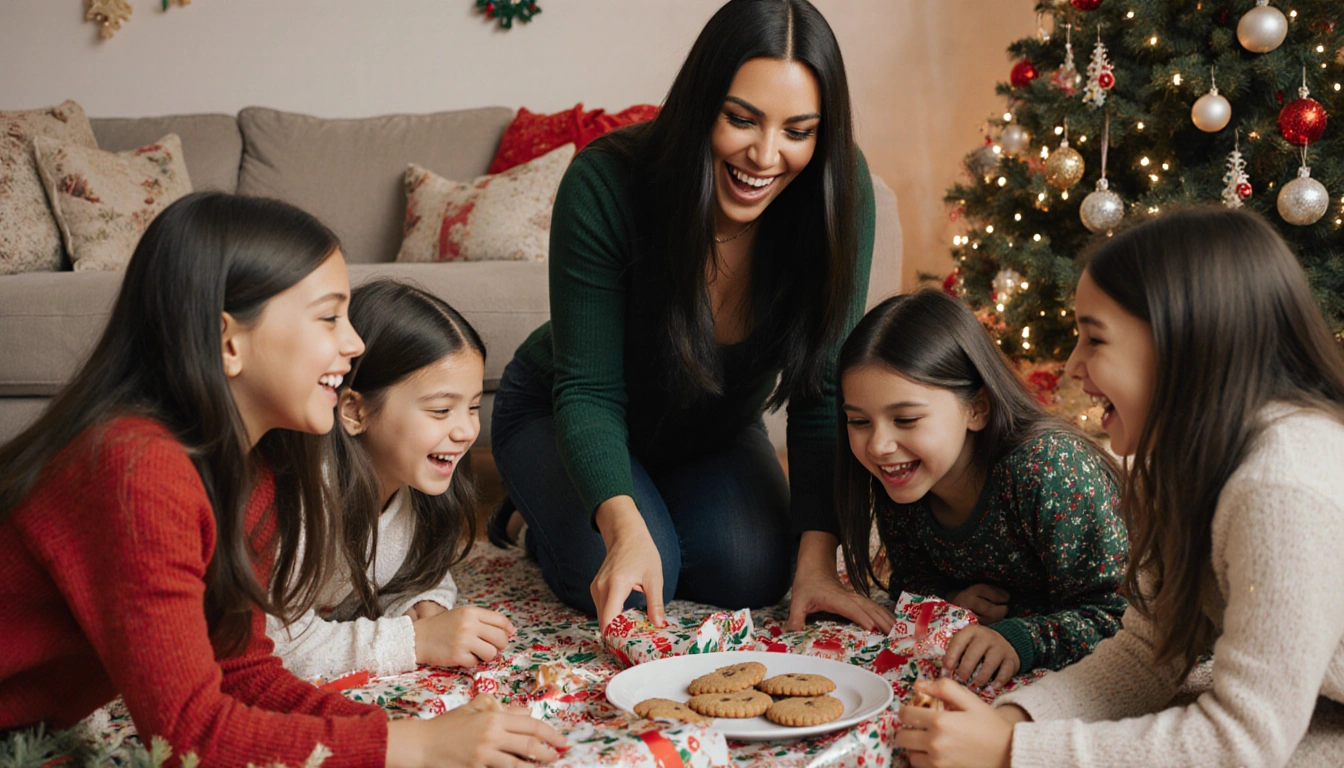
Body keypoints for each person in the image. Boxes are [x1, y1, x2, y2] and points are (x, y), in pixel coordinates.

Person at [0, 193, 565, 768]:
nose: (355, 344)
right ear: (228, 342)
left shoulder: (247, 468)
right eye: (329, 317)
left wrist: (401, 732)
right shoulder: (134, 469)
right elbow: (188, 735)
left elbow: (243, 672)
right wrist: (409, 746)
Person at [490, 0, 893, 635]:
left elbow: (821, 392)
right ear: (701, 99)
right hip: (566, 409)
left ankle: (647, 510)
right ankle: (528, 512)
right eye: (741, 119)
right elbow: (589, 390)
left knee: (758, 573)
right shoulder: (607, 182)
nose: (764, 155)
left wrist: (819, 565)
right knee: (629, 581)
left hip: (713, 433)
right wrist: (622, 528)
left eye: (798, 131)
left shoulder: (842, 195)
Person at [897, 207, 1344, 767]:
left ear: (1185, 342)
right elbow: (1144, 653)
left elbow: (1242, 741)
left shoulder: (1282, 487)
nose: (1072, 367)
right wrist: (1009, 721)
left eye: (1094, 339)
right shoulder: (1175, 462)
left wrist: (1015, 752)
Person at [835, 290, 1127, 689]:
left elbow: (1121, 616)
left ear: (976, 408)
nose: (878, 446)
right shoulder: (900, 479)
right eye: (858, 421)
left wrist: (1020, 639)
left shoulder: (1050, 470)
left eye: (905, 419)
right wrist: (951, 599)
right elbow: (912, 581)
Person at [268, 279, 516, 681]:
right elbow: (273, 649)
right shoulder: (301, 504)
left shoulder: (417, 482)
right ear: (354, 411)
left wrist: (422, 606)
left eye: (472, 407)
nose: (466, 430)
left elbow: (422, 572)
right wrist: (413, 640)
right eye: (440, 410)